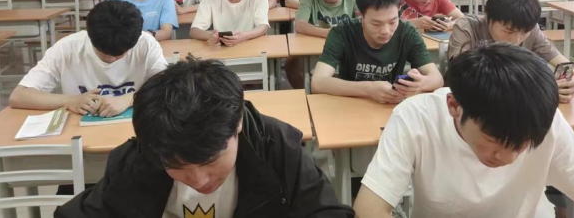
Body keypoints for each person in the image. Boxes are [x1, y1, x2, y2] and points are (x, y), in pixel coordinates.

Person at [55, 60, 354, 217]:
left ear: (237, 124)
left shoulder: (276, 146)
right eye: (177, 166)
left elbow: (325, 211)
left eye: (210, 161)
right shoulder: (140, 157)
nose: (198, 180)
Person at [353, 44, 574, 218]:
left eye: (523, 144)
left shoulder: (542, 119)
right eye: (494, 141)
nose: (509, 158)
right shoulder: (416, 118)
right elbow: (369, 209)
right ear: (454, 107)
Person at [9, 0, 167, 118]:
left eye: (119, 54)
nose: (111, 59)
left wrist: (129, 99)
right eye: (103, 52)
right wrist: (69, 101)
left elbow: (169, 88)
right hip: (79, 132)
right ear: (90, 37)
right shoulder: (67, 48)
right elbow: (19, 96)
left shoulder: (146, 44)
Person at [311, 0, 443, 104]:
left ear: (398, 10)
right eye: (376, 24)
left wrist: (420, 84)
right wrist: (368, 89)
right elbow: (318, 82)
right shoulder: (343, 32)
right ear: (360, 15)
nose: (386, 31)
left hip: (390, 106)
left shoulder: (408, 33)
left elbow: (437, 78)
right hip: (350, 104)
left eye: (392, 22)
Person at [448, 0, 574, 103]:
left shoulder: (531, 29)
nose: (516, 40)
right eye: (508, 31)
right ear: (488, 18)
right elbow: (463, 77)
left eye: (525, 32)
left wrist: (569, 83)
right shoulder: (467, 27)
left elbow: (565, 65)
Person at [285, 0, 358, 89]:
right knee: (291, 61)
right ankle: (306, 94)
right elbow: (300, 24)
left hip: (346, 47)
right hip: (316, 46)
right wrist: (328, 33)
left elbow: (363, 21)